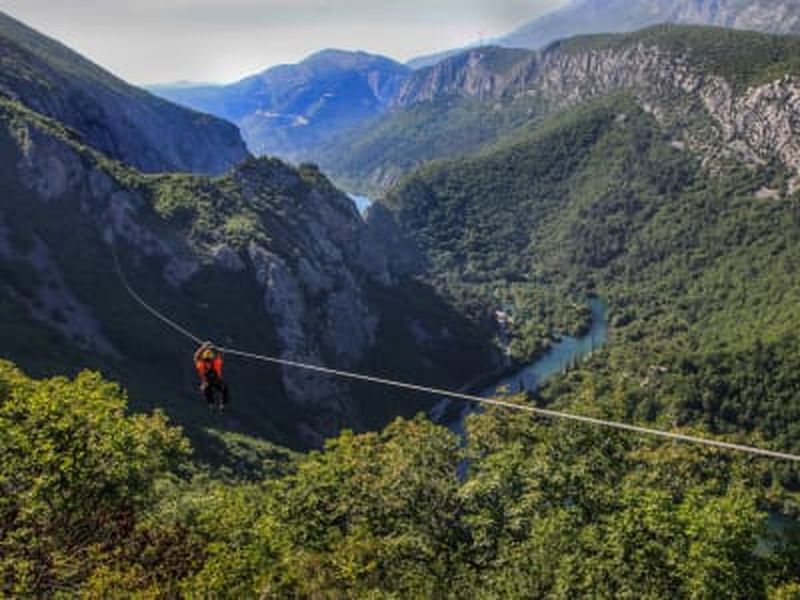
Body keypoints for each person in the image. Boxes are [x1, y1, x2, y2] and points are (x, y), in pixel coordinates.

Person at [193, 341, 229, 409]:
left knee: (208, 390)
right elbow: (220, 355)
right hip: (214, 381)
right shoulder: (216, 363)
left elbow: (196, 357)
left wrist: (203, 347)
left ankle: (212, 404)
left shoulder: (201, 365)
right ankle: (221, 404)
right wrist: (213, 348)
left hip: (210, 382)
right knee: (223, 389)